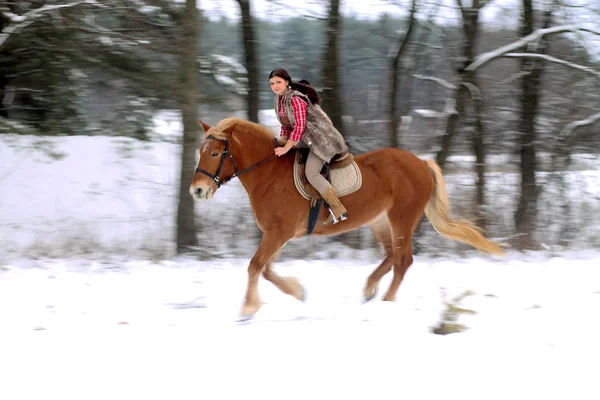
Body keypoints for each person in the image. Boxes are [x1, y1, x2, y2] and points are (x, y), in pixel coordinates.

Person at [269, 68, 349, 224]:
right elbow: (285, 125)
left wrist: (286, 147)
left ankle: (337, 208)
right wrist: (282, 141)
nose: (275, 86)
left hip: (321, 140)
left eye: (278, 82)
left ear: (287, 82)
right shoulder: (278, 100)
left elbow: (299, 126)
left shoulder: (295, 99)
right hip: (304, 140)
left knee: (311, 172)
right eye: (272, 83)